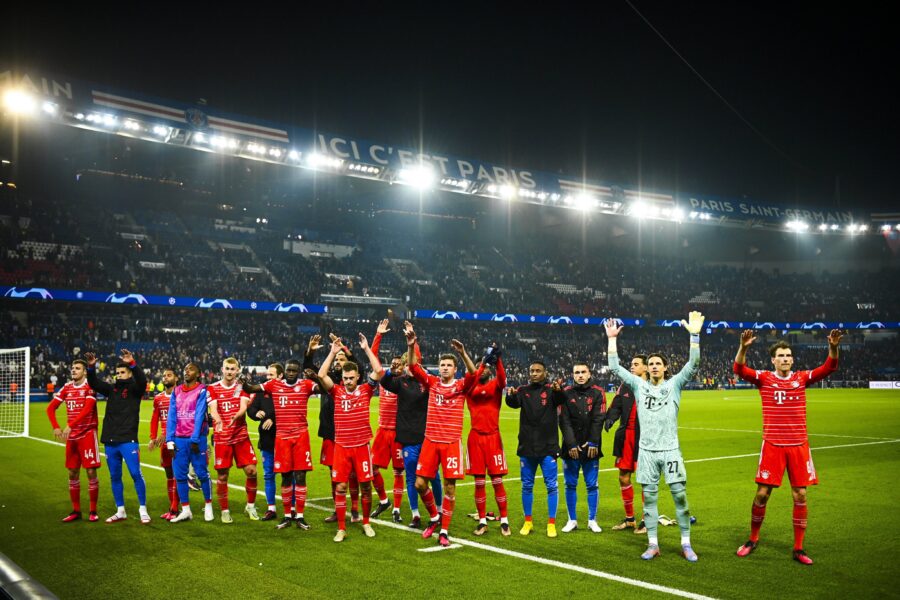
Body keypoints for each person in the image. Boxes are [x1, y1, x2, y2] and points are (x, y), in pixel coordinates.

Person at [733, 329, 842, 565]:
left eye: (788, 355)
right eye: (780, 355)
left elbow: (829, 368)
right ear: (773, 360)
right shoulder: (764, 378)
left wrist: (833, 346)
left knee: (800, 494)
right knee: (762, 495)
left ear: (792, 359)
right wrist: (743, 347)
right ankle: (752, 539)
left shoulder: (801, 377)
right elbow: (739, 369)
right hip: (772, 444)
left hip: (798, 445)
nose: (784, 358)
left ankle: (799, 548)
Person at [605, 311, 703, 562]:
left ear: (665, 367)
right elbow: (615, 367)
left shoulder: (675, 385)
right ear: (647, 370)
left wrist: (694, 336)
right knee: (649, 498)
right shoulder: (639, 386)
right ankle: (652, 543)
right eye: (651, 364)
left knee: (679, 496)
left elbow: (693, 364)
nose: (654, 366)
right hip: (646, 452)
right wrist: (612, 339)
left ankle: (686, 543)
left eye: (658, 363)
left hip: (670, 450)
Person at [405, 322, 477, 547]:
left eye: (448, 365)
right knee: (419, 484)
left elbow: (475, 375)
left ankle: (443, 530)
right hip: (430, 441)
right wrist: (411, 344)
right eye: (442, 365)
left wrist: (463, 354)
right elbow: (414, 367)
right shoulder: (433, 383)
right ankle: (435, 517)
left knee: (449, 487)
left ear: (455, 369)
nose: (444, 368)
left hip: (451, 443)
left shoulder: (461, 386)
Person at [316, 334, 385, 542]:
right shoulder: (336, 392)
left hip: (362, 447)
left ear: (357, 377)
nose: (347, 382)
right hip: (342, 448)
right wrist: (332, 352)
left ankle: (365, 522)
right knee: (340, 487)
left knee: (365, 486)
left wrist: (366, 349)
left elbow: (379, 371)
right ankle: (341, 527)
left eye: (351, 378)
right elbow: (321, 375)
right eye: (345, 378)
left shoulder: (366, 390)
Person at [241, 358, 316, 530]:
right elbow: (251, 389)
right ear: (285, 371)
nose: (291, 373)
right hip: (281, 438)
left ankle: (300, 516)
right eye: (289, 370)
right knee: (285, 476)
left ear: (298, 372)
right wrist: (244, 383)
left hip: (300, 436)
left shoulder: (304, 385)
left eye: (294, 370)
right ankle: (287, 515)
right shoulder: (273, 385)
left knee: (300, 476)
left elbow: (325, 389)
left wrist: (315, 374)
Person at [379, 336, 443, 529]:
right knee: (411, 477)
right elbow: (384, 382)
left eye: (411, 362)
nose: (408, 366)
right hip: (408, 438)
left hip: (427, 438)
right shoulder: (401, 382)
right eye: (407, 363)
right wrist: (392, 370)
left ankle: (439, 511)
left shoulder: (429, 382)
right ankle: (415, 514)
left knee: (434, 476)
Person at [85, 349, 150, 524]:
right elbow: (94, 383)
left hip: (128, 440)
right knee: (115, 476)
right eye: (117, 373)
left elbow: (143, 380)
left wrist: (132, 363)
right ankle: (120, 510)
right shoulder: (112, 389)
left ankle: (143, 509)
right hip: (111, 440)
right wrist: (91, 367)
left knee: (136, 474)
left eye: (122, 372)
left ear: (129, 373)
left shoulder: (135, 389)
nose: (119, 375)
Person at [505, 361, 564, 537]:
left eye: (538, 370)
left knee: (551, 486)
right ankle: (528, 521)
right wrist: (510, 395)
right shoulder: (523, 391)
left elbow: (562, 400)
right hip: (527, 447)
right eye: (532, 370)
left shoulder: (551, 391)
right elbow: (513, 403)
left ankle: (551, 524)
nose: (534, 373)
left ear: (545, 373)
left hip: (548, 448)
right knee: (527, 486)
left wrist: (558, 391)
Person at [47, 359, 100, 522]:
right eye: (72, 368)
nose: (73, 370)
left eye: (77, 368)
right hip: (73, 437)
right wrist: (56, 426)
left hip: (87, 434)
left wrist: (70, 424)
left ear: (85, 372)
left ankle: (93, 511)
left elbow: (87, 409)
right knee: (72, 473)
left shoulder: (90, 387)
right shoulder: (67, 387)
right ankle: (76, 511)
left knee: (91, 471)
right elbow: (50, 408)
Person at [465, 343, 510, 536]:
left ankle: (505, 521)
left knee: (497, 481)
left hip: (493, 438)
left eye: (485, 368)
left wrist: (497, 359)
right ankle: (482, 520)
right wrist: (481, 364)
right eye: (478, 368)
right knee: (479, 482)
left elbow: (502, 379)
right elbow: (472, 378)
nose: (483, 371)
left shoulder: (495, 386)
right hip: (475, 438)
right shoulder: (470, 388)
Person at [206, 357, 259, 523]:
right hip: (222, 437)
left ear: (237, 371)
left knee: (252, 471)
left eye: (232, 369)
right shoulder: (213, 388)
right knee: (222, 476)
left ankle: (250, 506)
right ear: (222, 369)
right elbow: (213, 409)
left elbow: (243, 405)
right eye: (227, 369)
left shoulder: (242, 387)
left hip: (240, 436)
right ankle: (224, 510)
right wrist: (218, 419)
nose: (229, 372)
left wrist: (238, 414)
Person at [558, 362, 606, 534]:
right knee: (570, 484)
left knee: (592, 485)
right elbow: (564, 420)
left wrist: (593, 442)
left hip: (591, 447)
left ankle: (592, 520)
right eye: (576, 372)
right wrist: (571, 444)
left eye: (583, 372)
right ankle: (572, 520)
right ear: (573, 374)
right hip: (571, 447)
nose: (579, 375)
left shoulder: (598, 392)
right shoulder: (565, 393)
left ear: (589, 373)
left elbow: (599, 418)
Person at [605, 355, 649, 534]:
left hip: (644, 438)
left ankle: (647, 520)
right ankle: (630, 519)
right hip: (625, 437)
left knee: (646, 481)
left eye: (636, 364)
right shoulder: (625, 385)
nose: (632, 367)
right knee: (623, 477)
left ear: (645, 368)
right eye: (631, 364)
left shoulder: (652, 385)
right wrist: (610, 418)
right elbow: (616, 406)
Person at [166, 363, 214, 522]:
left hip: (196, 439)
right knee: (179, 476)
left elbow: (200, 414)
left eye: (191, 369)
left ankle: (208, 505)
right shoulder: (177, 391)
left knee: (201, 473)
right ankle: (186, 510)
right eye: (185, 369)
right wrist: (169, 441)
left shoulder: (202, 390)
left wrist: (194, 438)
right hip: (179, 439)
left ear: (198, 374)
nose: (187, 371)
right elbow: (172, 416)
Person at [368, 320, 406, 521]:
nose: (396, 365)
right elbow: (373, 357)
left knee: (399, 472)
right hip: (383, 431)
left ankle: (397, 509)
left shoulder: (407, 383)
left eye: (400, 364)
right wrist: (378, 335)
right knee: (372, 468)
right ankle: (384, 500)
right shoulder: (384, 379)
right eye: (394, 363)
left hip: (399, 433)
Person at [246, 363, 283, 521]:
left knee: (289, 475)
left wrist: (273, 419)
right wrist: (257, 413)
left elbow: (290, 412)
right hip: (267, 440)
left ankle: (293, 508)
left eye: (271, 375)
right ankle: (271, 508)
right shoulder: (262, 392)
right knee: (268, 475)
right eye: (267, 375)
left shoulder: (284, 391)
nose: (268, 378)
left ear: (280, 376)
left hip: (283, 439)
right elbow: (250, 409)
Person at [148, 368, 179, 520]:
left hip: (178, 440)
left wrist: (166, 434)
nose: (165, 378)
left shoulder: (181, 395)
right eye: (164, 375)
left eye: (169, 375)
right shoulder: (158, 398)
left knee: (178, 474)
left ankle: (175, 508)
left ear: (176, 378)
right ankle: (172, 507)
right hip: (164, 443)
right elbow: (155, 418)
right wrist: (152, 437)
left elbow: (184, 419)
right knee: (169, 474)